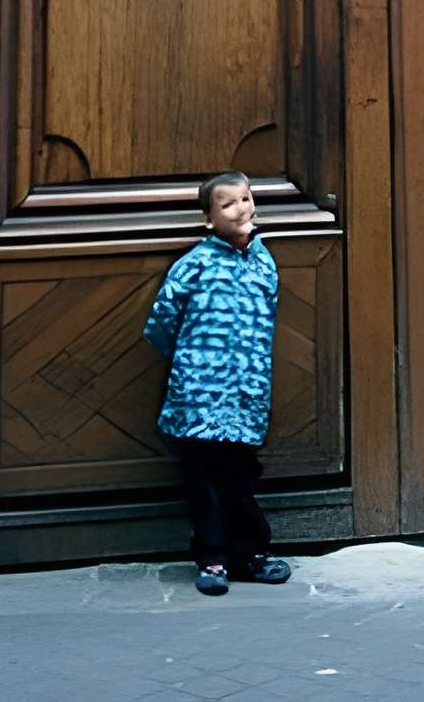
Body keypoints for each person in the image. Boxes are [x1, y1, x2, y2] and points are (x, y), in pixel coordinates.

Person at [143, 169, 292, 596]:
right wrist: (196, 364)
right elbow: (161, 324)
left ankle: (251, 553)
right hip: (199, 396)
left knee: (241, 477)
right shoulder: (194, 265)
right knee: (203, 479)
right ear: (209, 219)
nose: (241, 208)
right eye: (228, 204)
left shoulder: (264, 259)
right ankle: (211, 557)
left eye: (245, 198)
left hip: (246, 392)